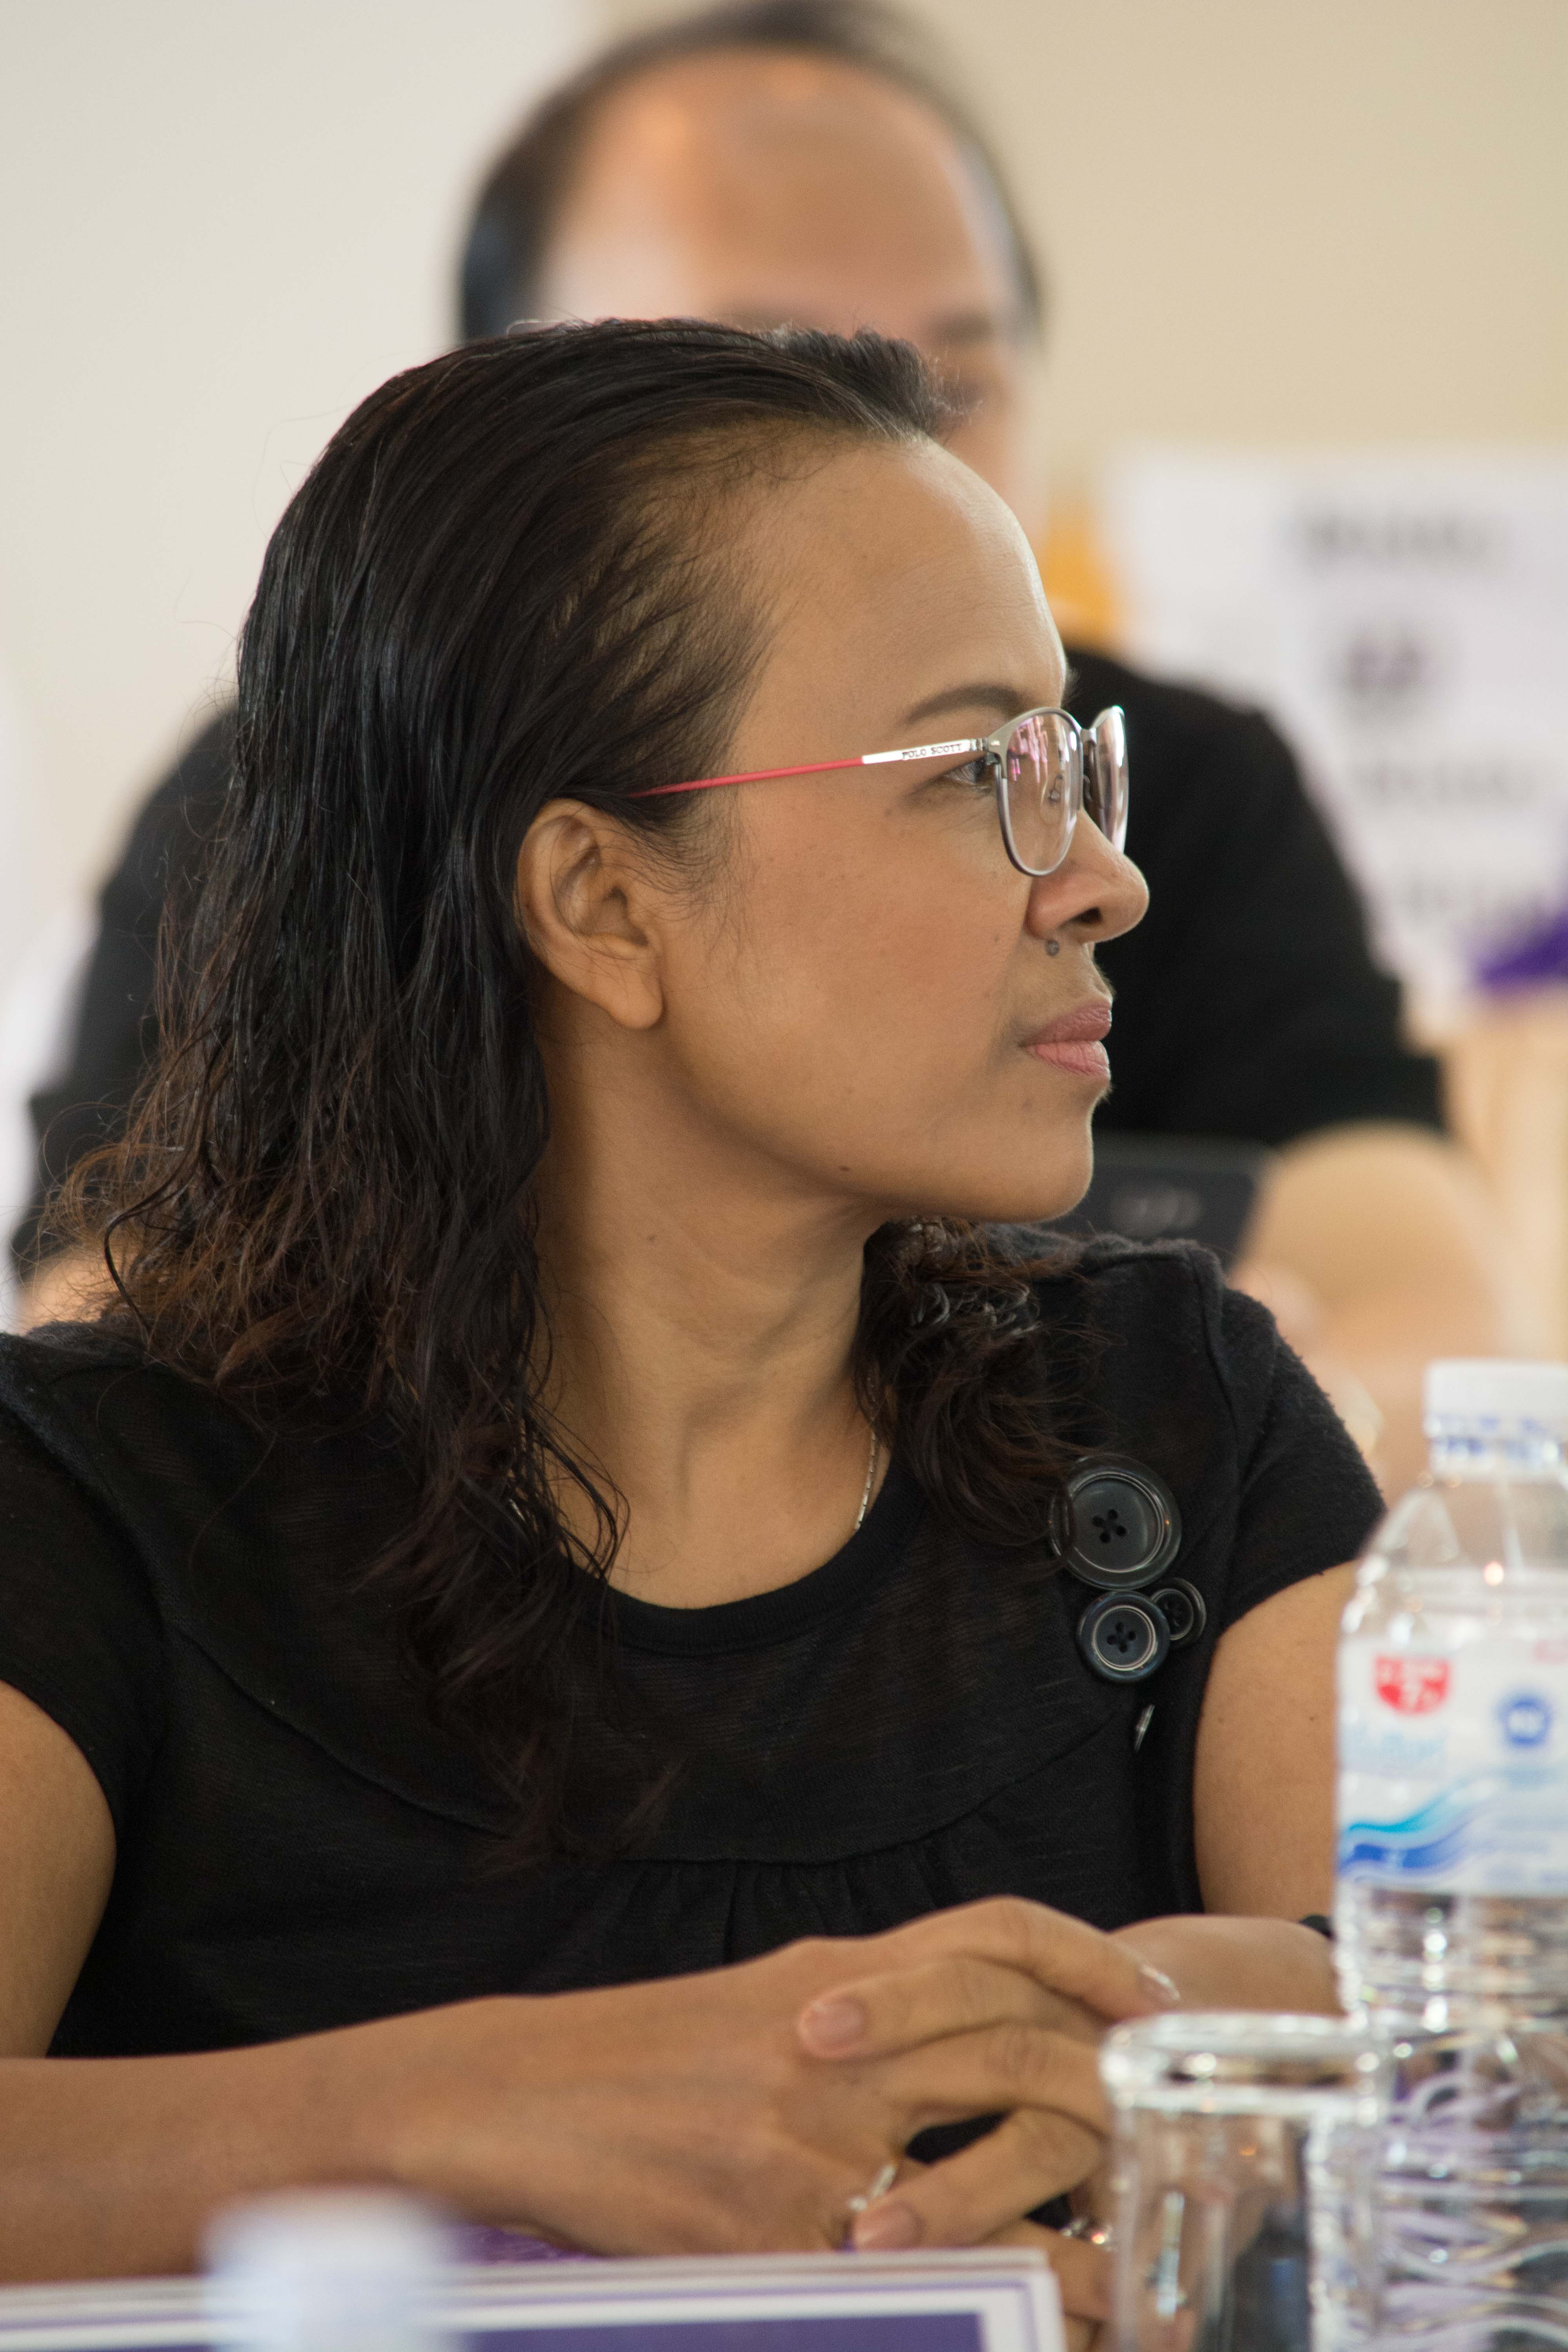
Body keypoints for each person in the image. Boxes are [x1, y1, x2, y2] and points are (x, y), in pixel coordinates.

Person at [0, 321, 1372, 2287]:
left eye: (1073, 766)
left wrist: (1179, 2030)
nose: (1098, 881)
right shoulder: (88, 1511)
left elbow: (1464, 2041)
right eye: (974, 772)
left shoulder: (1176, 1422)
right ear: (601, 903)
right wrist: (473, 2109)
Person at [12, 1, 1528, 1490]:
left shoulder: (1182, 786)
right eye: (761, 371)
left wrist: (1209, 1461)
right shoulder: (300, 785)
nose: (897, 445)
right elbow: (118, 1359)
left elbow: (1439, 1339)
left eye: (958, 378)